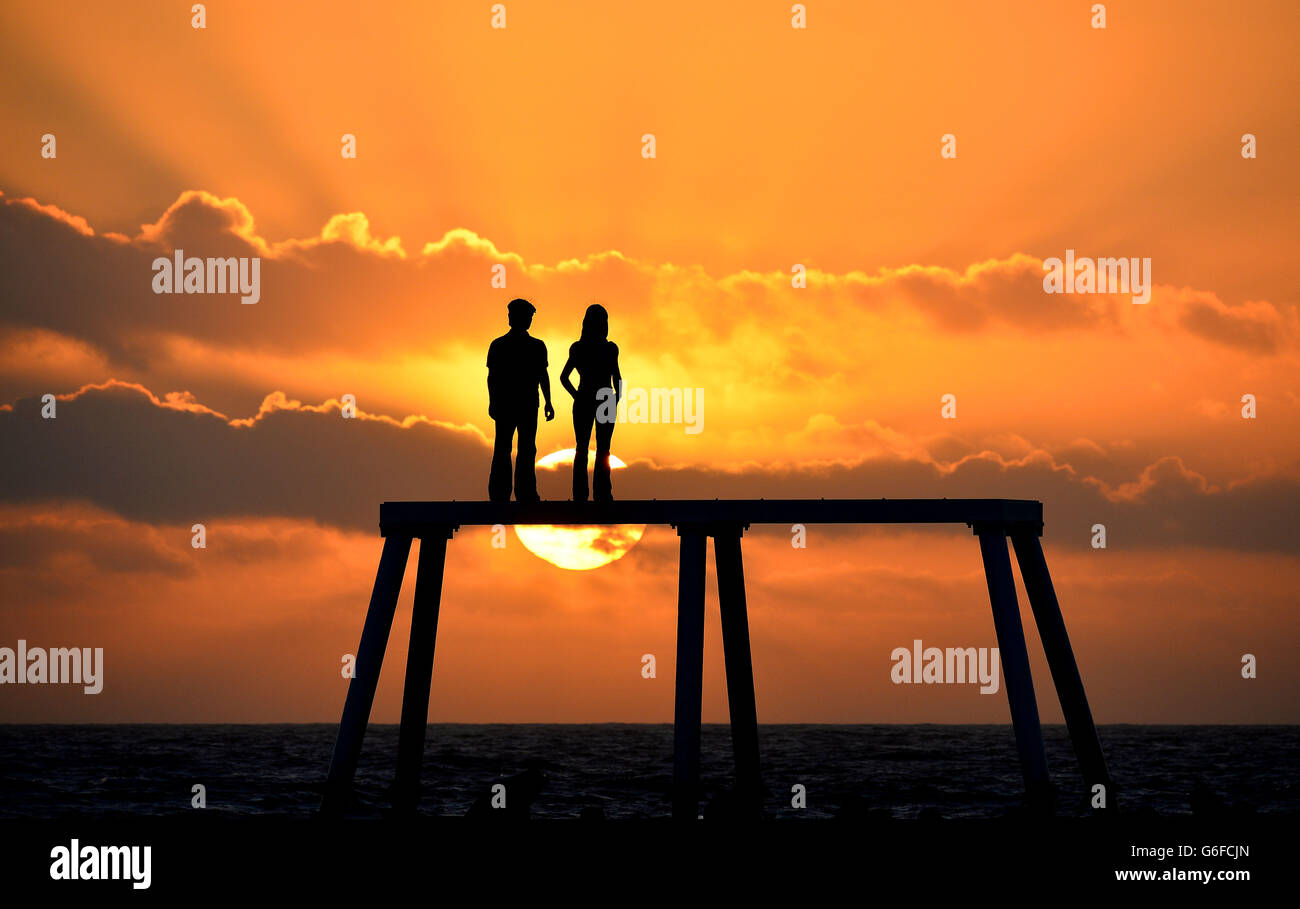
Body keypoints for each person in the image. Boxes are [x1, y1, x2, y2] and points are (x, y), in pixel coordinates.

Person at [487, 298, 554, 502]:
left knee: (523, 447)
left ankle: (521, 492)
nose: (529, 320)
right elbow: (493, 378)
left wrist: (548, 401)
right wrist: (493, 401)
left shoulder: (534, 346)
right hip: (512, 404)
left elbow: (543, 376)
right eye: (527, 316)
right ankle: (504, 493)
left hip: (525, 404)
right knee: (506, 447)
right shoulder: (499, 345)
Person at [559, 304, 621, 502]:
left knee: (583, 447)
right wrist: (615, 398)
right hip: (604, 398)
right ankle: (602, 494)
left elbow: (564, 378)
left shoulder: (579, 348)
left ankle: (581, 494)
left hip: (586, 398)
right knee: (603, 448)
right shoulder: (609, 349)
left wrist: (577, 395)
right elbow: (617, 378)